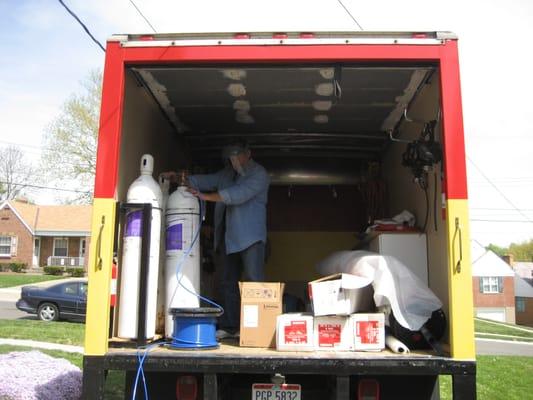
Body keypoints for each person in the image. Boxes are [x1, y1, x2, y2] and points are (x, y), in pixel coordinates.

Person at [164, 139, 270, 339]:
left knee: (254, 284)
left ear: (248, 154)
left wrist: (205, 197)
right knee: (227, 283)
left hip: (251, 238)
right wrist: (181, 178)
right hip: (229, 239)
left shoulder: (259, 175)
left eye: (236, 156)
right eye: (230, 158)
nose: (233, 161)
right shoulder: (228, 173)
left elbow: (238, 194)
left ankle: (253, 328)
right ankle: (229, 326)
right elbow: (204, 180)